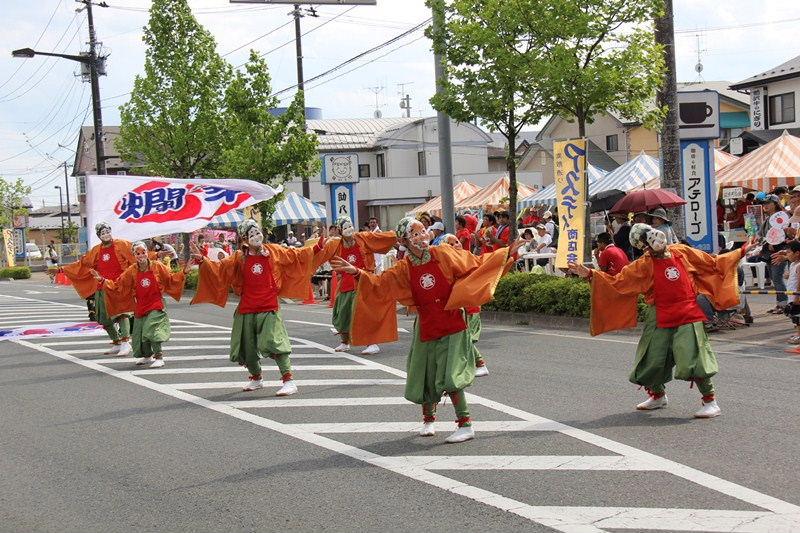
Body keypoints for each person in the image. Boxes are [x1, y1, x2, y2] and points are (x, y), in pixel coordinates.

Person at [330, 217, 520, 443]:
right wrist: (357, 272)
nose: (421, 237)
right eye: (415, 234)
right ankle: (429, 420)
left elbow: (476, 263)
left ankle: (465, 424)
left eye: (422, 232)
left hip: (451, 321)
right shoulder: (403, 267)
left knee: (451, 377)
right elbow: (380, 283)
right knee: (424, 374)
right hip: (426, 323)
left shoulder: (443, 253)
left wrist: (506, 253)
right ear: (403, 241)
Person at [569, 224, 747, 419]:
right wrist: (589, 274)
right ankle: (658, 396)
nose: (651, 245)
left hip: (687, 312)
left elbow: (712, 262)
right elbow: (618, 282)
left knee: (693, 357)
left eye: (651, 240)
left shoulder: (681, 251)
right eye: (645, 244)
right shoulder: (642, 264)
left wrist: (741, 251)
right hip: (659, 313)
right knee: (650, 359)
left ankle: (710, 401)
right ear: (642, 246)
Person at [190, 219, 328, 395]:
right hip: (247, 307)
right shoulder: (239, 257)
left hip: (269, 306)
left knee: (274, 343)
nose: (256, 236)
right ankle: (256, 378)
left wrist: (318, 246)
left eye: (257, 232)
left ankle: (289, 380)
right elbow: (220, 269)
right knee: (246, 347)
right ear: (245, 239)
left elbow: (296, 256)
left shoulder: (274, 251)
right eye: (251, 234)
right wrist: (202, 260)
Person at [91, 241, 187, 368]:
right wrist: (102, 280)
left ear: (147, 253)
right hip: (140, 305)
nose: (141, 255)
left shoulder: (157, 266)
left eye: (143, 252)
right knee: (140, 333)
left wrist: (184, 272)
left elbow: (171, 279)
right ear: (134, 255)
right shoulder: (131, 270)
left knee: (152, 329)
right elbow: (119, 285)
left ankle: (159, 357)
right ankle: (147, 356)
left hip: (156, 304)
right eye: (137, 253)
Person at [324, 216, 397, 355]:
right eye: (344, 227)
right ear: (339, 230)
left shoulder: (364, 238)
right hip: (345, 284)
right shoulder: (337, 245)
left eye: (349, 226)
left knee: (365, 314)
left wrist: (398, 236)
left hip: (364, 281)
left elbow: (382, 238)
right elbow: (328, 257)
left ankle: (372, 343)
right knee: (342, 316)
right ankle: (345, 342)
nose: (348, 230)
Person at [62, 223, 135, 356]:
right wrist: (62, 269)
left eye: (107, 231)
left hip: (119, 286)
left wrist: (156, 255)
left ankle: (126, 342)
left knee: (122, 314)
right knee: (102, 318)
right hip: (102, 286)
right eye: (102, 233)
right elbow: (83, 264)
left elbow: (137, 254)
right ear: (98, 236)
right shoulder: (96, 250)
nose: (106, 234)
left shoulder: (122, 244)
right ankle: (117, 342)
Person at [441, 234, 489, 377]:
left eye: (456, 241)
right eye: (451, 244)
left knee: (466, 338)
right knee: (461, 338)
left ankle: (480, 363)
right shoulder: (448, 262)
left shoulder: (467, 257)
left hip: (470, 306)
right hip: (459, 307)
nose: (456, 244)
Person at [760, 194, 789, 313]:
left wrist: (774, 241)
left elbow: (784, 234)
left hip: (780, 250)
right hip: (768, 251)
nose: (765, 206)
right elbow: (762, 234)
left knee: (777, 277)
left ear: (775, 204)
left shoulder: (783, 217)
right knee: (774, 278)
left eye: (768, 203)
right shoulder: (767, 219)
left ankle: (784, 304)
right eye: (764, 203)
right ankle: (779, 304)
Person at [783, 241, 800, 350]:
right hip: (791, 295)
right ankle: (798, 334)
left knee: (798, 316)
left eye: (789, 252)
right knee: (795, 317)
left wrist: (797, 297)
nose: (787, 255)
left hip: (796, 296)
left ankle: (799, 335)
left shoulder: (799, 265)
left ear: (797, 253)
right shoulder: (793, 264)